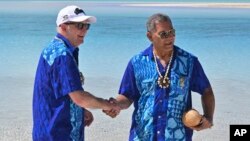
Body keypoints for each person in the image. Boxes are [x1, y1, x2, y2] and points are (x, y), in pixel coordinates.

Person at [104, 13, 215, 141]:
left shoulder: (189, 62)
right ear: (150, 36)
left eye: (172, 32)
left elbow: (206, 91)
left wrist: (208, 118)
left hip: (178, 137)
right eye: (163, 34)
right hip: (142, 136)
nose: (170, 38)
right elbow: (127, 96)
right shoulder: (137, 63)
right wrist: (116, 105)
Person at [32, 5, 120, 141]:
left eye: (86, 26)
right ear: (63, 26)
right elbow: (79, 97)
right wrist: (108, 105)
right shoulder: (62, 55)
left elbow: (62, 92)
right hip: (57, 134)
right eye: (79, 25)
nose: (85, 30)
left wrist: (80, 111)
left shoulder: (60, 50)